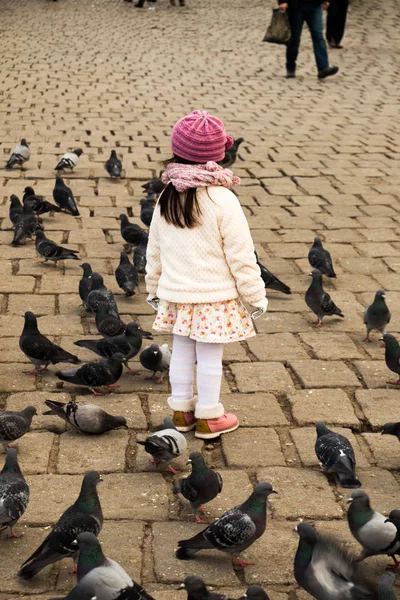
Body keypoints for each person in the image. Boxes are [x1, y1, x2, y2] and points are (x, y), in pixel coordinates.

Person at [145, 110, 268, 439]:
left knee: (182, 351)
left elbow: (154, 249)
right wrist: (255, 296)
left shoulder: (166, 195)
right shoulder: (223, 199)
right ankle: (210, 416)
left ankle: (181, 412)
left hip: (178, 296)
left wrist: (153, 287)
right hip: (215, 298)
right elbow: (242, 255)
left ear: (176, 150)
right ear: (219, 155)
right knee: (211, 357)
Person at [279, 0, 339, 79]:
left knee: (318, 35)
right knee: (294, 39)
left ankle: (323, 67)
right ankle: (290, 67)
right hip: (295, 7)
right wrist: (283, 1)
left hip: (314, 6)